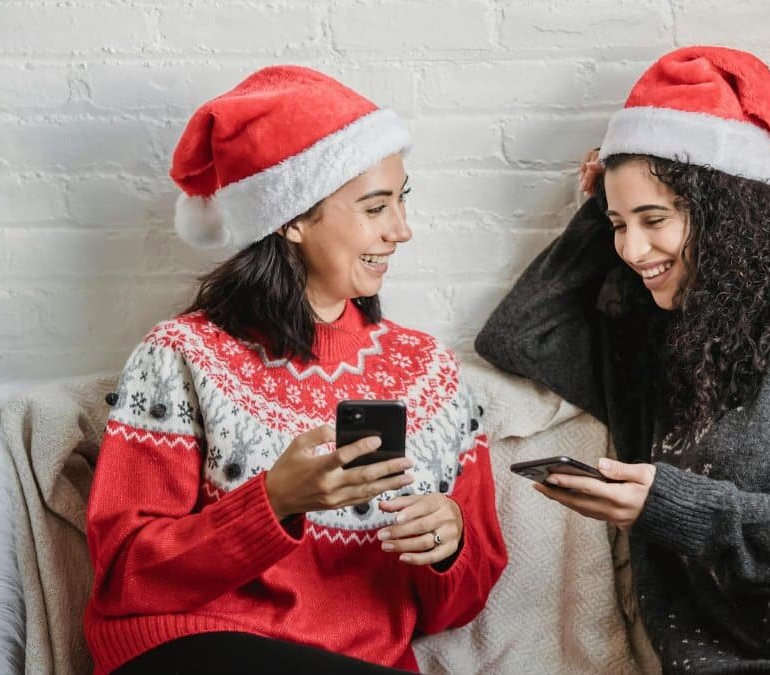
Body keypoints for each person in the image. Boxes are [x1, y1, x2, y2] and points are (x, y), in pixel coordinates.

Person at [476, 46, 770, 673]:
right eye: (619, 225)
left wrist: (683, 510)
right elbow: (517, 336)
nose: (633, 249)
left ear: (727, 216)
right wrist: (600, 206)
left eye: (654, 219)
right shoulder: (649, 344)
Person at [84, 66, 507, 675]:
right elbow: (124, 575)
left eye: (401, 200)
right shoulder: (182, 354)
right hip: (193, 649)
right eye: (375, 206)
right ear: (293, 219)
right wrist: (273, 501)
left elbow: (455, 607)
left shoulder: (430, 375)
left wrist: (450, 546)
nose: (401, 230)